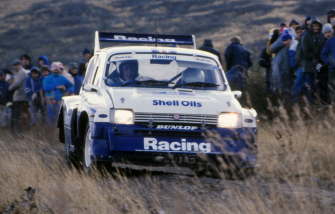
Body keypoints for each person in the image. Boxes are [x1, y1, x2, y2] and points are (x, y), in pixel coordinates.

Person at [300, 17, 326, 103]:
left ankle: (320, 103)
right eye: (314, 26)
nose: (316, 28)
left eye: (317, 26)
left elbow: (323, 49)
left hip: (320, 64)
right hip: (308, 65)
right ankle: (310, 104)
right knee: (310, 86)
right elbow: (305, 51)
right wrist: (315, 58)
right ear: (311, 26)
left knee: (319, 85)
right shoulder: (306, 36)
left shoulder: (321, 36)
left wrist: (320, 60)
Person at [269, 34, 294, 99]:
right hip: (281, 68)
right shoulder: (285, 36)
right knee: (281, 88)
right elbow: (271, 49)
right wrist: (283, 42)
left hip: (293, 68)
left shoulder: (300, 38)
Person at [8, 59, 29, 134]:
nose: (15, 67)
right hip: (20, 97)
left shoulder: (22, 72)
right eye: (14, 65)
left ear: (20, 65)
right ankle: (17, 131)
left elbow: (16, 83)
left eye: (16, 65)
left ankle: (17, 132)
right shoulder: (19, 73)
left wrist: (9, 88)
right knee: (19, 115)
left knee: (17, 115)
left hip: (20, 97)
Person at [321, 24, 335, 102]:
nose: (328, 33)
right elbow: (323, 54)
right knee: (332, 88)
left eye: (329, 31)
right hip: (332, 70)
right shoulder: (330, 41)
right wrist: (330, 62)